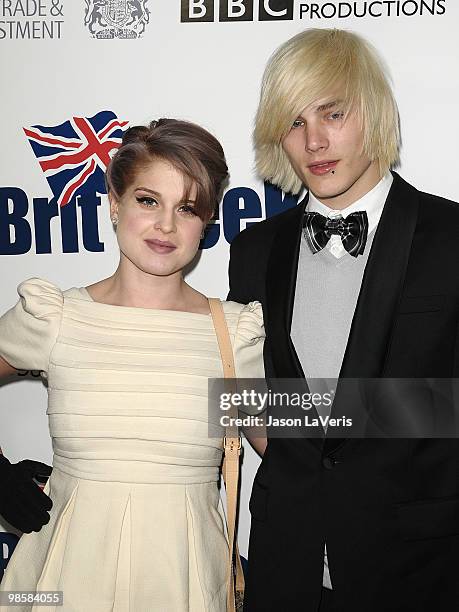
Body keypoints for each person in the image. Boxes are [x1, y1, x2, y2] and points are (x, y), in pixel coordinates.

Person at [228, 28, 459, 612]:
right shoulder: (254, 250)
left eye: (333, 113)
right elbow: (242, 394)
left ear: (375, 113)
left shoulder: (452, 237)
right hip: (287, 563)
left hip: (420, 566)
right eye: (295, 122)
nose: (314, 141)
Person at [0, 118, 265, 611]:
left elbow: (303, 450)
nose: (166, 225)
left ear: (207, 222)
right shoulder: (54, 316)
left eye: (186, 208)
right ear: (114, 203)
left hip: (184, 580)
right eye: (148, 201)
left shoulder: (233, 334)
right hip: (61, 577)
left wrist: (430, 404)